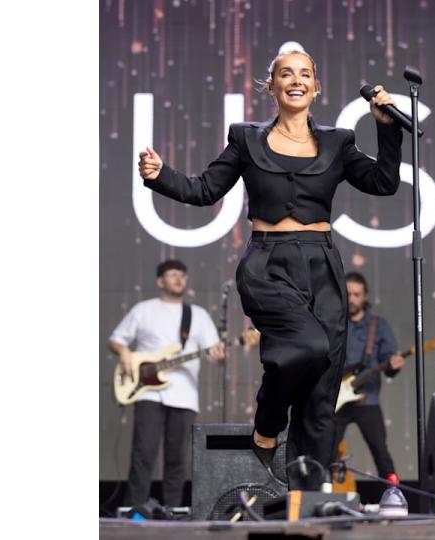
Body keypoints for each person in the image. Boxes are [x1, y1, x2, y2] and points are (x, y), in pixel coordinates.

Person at [138, 44, 402, 489]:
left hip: (322, 265)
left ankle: (305, 497)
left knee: (321, 393)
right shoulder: (246, 138)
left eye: (304, 74)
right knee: (307, 347)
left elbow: (384, 182)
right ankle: (266, 426)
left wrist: (388, 130)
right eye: (286, 74)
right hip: (267, 264)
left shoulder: (339, 142)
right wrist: (160, 174)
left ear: (316, 87)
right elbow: (205, 189)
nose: (295, 80)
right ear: (272, 86)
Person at [108, 259, 226, 507]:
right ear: (160, 281)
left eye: (182, 275)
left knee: (177, 459)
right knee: (143, 454)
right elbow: (116, 339)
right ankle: (135, 510)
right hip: (147, 392)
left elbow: (215, 353)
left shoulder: (198, 315)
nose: (178, 279)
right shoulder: (143, 310)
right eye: (173, 275)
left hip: (185, 395)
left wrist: (220, 355)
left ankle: (173, 512)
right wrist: (125, 353)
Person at [336, 272, 405, 484]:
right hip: (336, 400)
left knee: (381, 453)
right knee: (323, 452)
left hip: (368, 399)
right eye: (348, 294)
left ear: (365, 296)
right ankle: (320, 495)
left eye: (357, 294)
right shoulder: (334, 323)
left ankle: (394, 495)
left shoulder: (379, 325)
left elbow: (389, 363)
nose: (352, 299)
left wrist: (394, 365)